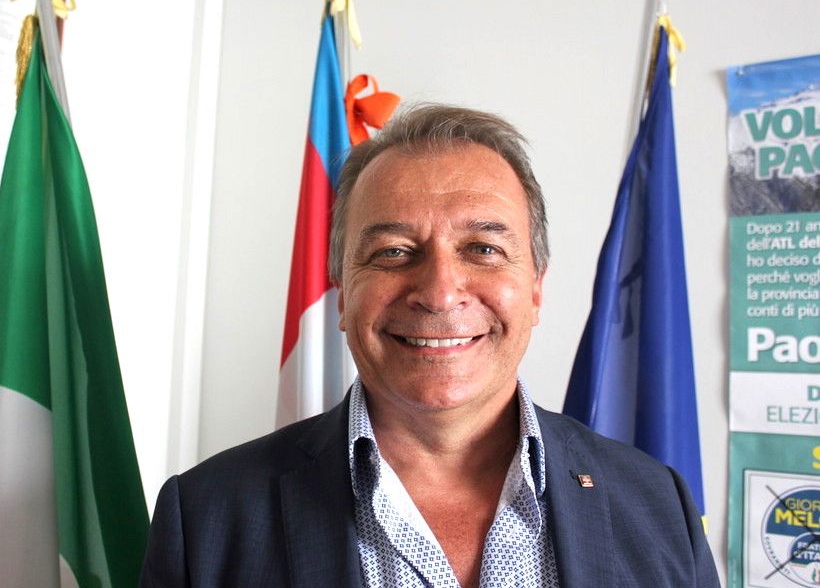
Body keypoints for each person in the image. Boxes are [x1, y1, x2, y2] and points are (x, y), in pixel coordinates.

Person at [139, 105, 721, 587]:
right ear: (342, 294)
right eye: (393, 252)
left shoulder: (659, 504)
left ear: (536, 289)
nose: (440, 293)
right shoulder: (208, 517)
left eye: (483, 250)